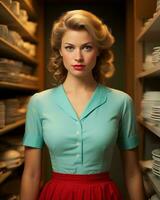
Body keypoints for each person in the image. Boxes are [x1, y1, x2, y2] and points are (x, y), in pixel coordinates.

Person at [20, 9, 145, 200]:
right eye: (70, 47)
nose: (78, 57)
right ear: (60, 51)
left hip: (103, 195)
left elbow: (133, 173)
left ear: (99, 51)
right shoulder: (39, 102)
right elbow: (31, 174)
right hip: (56, 195)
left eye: (87, 47)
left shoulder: (122, 102)